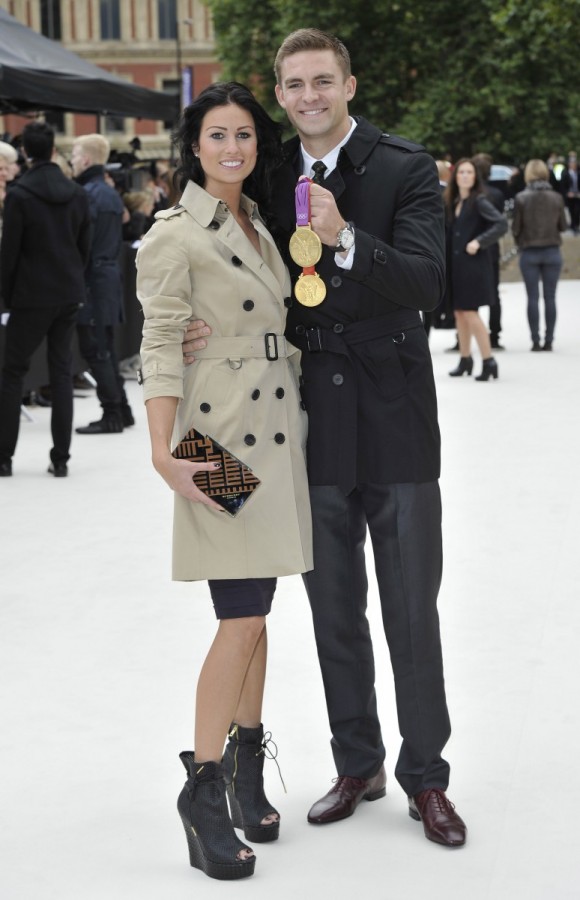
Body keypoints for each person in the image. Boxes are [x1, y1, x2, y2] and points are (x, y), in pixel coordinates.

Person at [184, 28, 467, 847]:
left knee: (412, 606)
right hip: (305, 423)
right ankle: (358, 763)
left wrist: (345, 236)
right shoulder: (269, 174)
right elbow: (219, 263)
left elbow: (427, 282)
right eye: (295, 85)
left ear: (349, 83)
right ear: (282, 96)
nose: (309, 96)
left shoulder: (406, 167)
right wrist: (193, 332)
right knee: (333, 607)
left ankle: (426, 778)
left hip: (396, 413)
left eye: (323, 81)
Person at [136, 82, 312, 880]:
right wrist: (162, 449)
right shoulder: (175, 233)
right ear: (194, 145)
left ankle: (245, 764)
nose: (233, 147)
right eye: (217, 135)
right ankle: (204, 792)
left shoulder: (260, 222)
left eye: (244, 133)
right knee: (239, 618)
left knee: (258, 612)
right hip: (216, 441)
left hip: (276, 438)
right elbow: (163, 341)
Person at [0, 122, 90, 477]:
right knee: (62, 372)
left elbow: (9, 254)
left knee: (12, 373)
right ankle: (61, 459)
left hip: (30, 296)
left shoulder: (20, 195)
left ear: (25, 153)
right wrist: (73, 280)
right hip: (68, 293)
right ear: (54, 150)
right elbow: (84, 247)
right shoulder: (77, 193)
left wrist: (7, 295)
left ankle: (4, 457)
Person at [70, 134, 135, 434]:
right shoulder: (109, 193)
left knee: (97, 349)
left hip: (93, 282)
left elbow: (81, 244)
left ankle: (112, 413)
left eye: (73, 153)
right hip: (107, 279)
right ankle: (121, 409)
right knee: (105, 347)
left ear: (85, 159)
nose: (71, 159)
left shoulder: (87, 194)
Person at [445, 158, 507, 381]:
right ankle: (465, 359)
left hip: (473, 266)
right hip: (457, 266)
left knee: (470, 313)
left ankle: (489, 361)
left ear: (475, 177)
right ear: (456, 176)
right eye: (461, 172)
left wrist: (479, 242)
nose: (464, 176)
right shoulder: (454, 202)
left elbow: (501, 224)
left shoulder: (479, 200)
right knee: (459, 313)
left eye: (469, 172)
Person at [512, 159, 567, 351]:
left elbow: (516, 228)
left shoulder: (521, 198)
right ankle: (549, 340)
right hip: (552, 250)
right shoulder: (556, 197)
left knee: (532, 297)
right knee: (550, 297)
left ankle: (535, 340)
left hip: (529, 251)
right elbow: (563, 226)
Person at [472, 152, 507, 351]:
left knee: (467, 292)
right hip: (490, 246)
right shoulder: (497, 194)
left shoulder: (471, 195)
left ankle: (463, 335)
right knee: (493, 292)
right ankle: (494, 335)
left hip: (471, 245)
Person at [560, 154, 580, 234]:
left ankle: (575, 225)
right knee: (571, 211)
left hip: (577, 195)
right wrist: (567, 193)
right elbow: (562, 186)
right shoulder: (565, 173)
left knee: (577, 211)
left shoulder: (578, 173)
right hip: (569, 196)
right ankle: (573, 225)